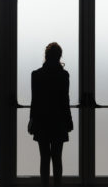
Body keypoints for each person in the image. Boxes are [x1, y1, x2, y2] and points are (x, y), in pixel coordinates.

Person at [28, 42, 73, 187]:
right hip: (59, 121)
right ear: (59, 56)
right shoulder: (63, 75)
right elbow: (65, 100)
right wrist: (69, 121)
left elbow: (34, 100)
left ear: (46, 56)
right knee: (57, 158)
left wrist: (31, 120)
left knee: (44, 158)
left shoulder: (36, 75)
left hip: (42, 121)